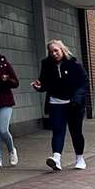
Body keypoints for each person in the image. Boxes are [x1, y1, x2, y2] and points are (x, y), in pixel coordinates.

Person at [32, 40, 89, 171]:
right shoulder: (46, 64)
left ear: (62, 50)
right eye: (51, 52)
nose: (54, 54)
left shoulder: (74, 64)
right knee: (57, 131)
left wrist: (77, 98)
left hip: (73, 103)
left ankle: (80, 158)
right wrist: (39, 87)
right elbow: (44, 83)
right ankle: (56, 158)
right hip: (55, 102)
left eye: (56, 51)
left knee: (76, 132)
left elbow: (84, 82)